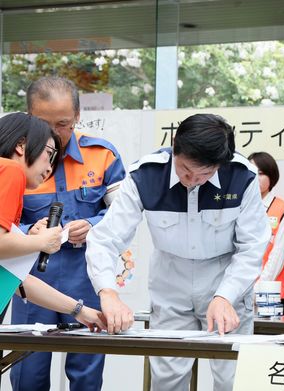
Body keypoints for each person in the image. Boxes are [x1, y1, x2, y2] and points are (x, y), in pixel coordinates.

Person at [86, 113, 270, 391]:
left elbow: (252, 246)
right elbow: (105, 238)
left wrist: (226, 295)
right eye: (185, 170)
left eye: (206, 174)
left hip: (225, 279)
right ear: (174, 146)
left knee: (234, 376)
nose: (193, 181)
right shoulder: (145, 176)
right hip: (170, 282)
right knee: (167, 378)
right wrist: (108, 292)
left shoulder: (241, 177)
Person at [10, 77, 126, 391]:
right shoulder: (14, 162)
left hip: (87, 277)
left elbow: (124, 216)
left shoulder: (103, 155)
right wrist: (27, 232)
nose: (52, 134)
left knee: (87, 374)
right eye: (42, 123)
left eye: (62, 123)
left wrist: (94, 225)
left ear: (77, 115)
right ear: (28, 115)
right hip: (31, 279)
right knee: (26, 373)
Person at [0, 112, 106, 330]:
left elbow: (17, 280)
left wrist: (80, 310)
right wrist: (43, 242)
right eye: (49, 154)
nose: (50, 167)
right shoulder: (10, 170)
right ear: (21, 145)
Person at [248, 151, 284, 315]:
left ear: (271, 176)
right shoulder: (240, 207)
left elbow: (278, 256)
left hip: (270, 295)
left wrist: (257, 289)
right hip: (240, 293)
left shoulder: (283, 210)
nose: (255, 178)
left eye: (261, 173)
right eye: (252, 172)